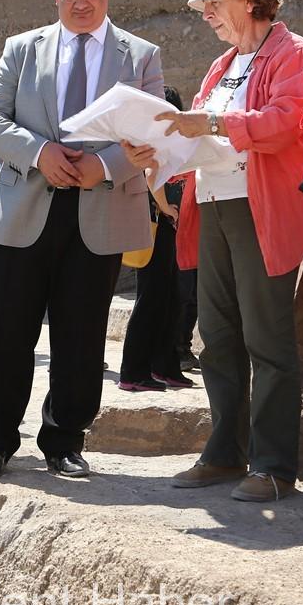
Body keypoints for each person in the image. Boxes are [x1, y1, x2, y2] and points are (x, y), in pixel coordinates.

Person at [126, 0, 303, 502]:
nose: (205, 13)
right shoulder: (221, 65)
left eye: (213, 2)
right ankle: (225, 452)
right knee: (217, 335)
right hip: (211, 206)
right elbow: (199, 143)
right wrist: (157, 156)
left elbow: (287, 120)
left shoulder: (292, 50)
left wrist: (205, 121)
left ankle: (275, 466)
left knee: (266, 335)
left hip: (259, 208)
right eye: (203, 5)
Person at [0, 0, 165, 481]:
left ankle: (65, 441)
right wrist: (39, 152)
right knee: (5, 333)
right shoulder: (21, 48)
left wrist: (101, 168)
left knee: (81, 335)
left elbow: (149, 136)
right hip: (24, 208)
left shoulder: (142, 55)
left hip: (100, 210)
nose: (80, 4)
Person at [117, 86, 192, 392]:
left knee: (172, 298)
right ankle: (133, 372)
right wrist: (167, 209)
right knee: (152, 298)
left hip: (166, 228)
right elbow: (152, 175)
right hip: (157, 227)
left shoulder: (163, 138)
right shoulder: (155, 140)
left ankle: (165, 367)